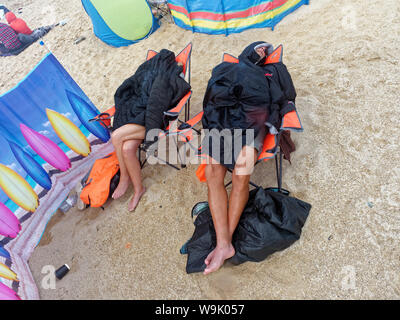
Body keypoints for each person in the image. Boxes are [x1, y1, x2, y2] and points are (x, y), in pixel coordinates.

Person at [201, 42, 297, 274]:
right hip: (223, 119)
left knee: (241, 174)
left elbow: (288, 95)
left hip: (254, 119)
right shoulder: (225, 68)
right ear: (247, 51)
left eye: (266, 49)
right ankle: (224, 244)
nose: (263, 51)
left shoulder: (273, 70)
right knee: (212, 174)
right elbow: (212, 93)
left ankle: (224, 244)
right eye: (259, 47)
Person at [110, 49, 190, 212]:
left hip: (156, 122)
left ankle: (124, 177)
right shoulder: (148, 71)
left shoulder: (165, 78)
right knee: (126, 149)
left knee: (117, 136)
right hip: (139, 115)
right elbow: (131, 87)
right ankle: (139, 189)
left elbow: (158, 101)